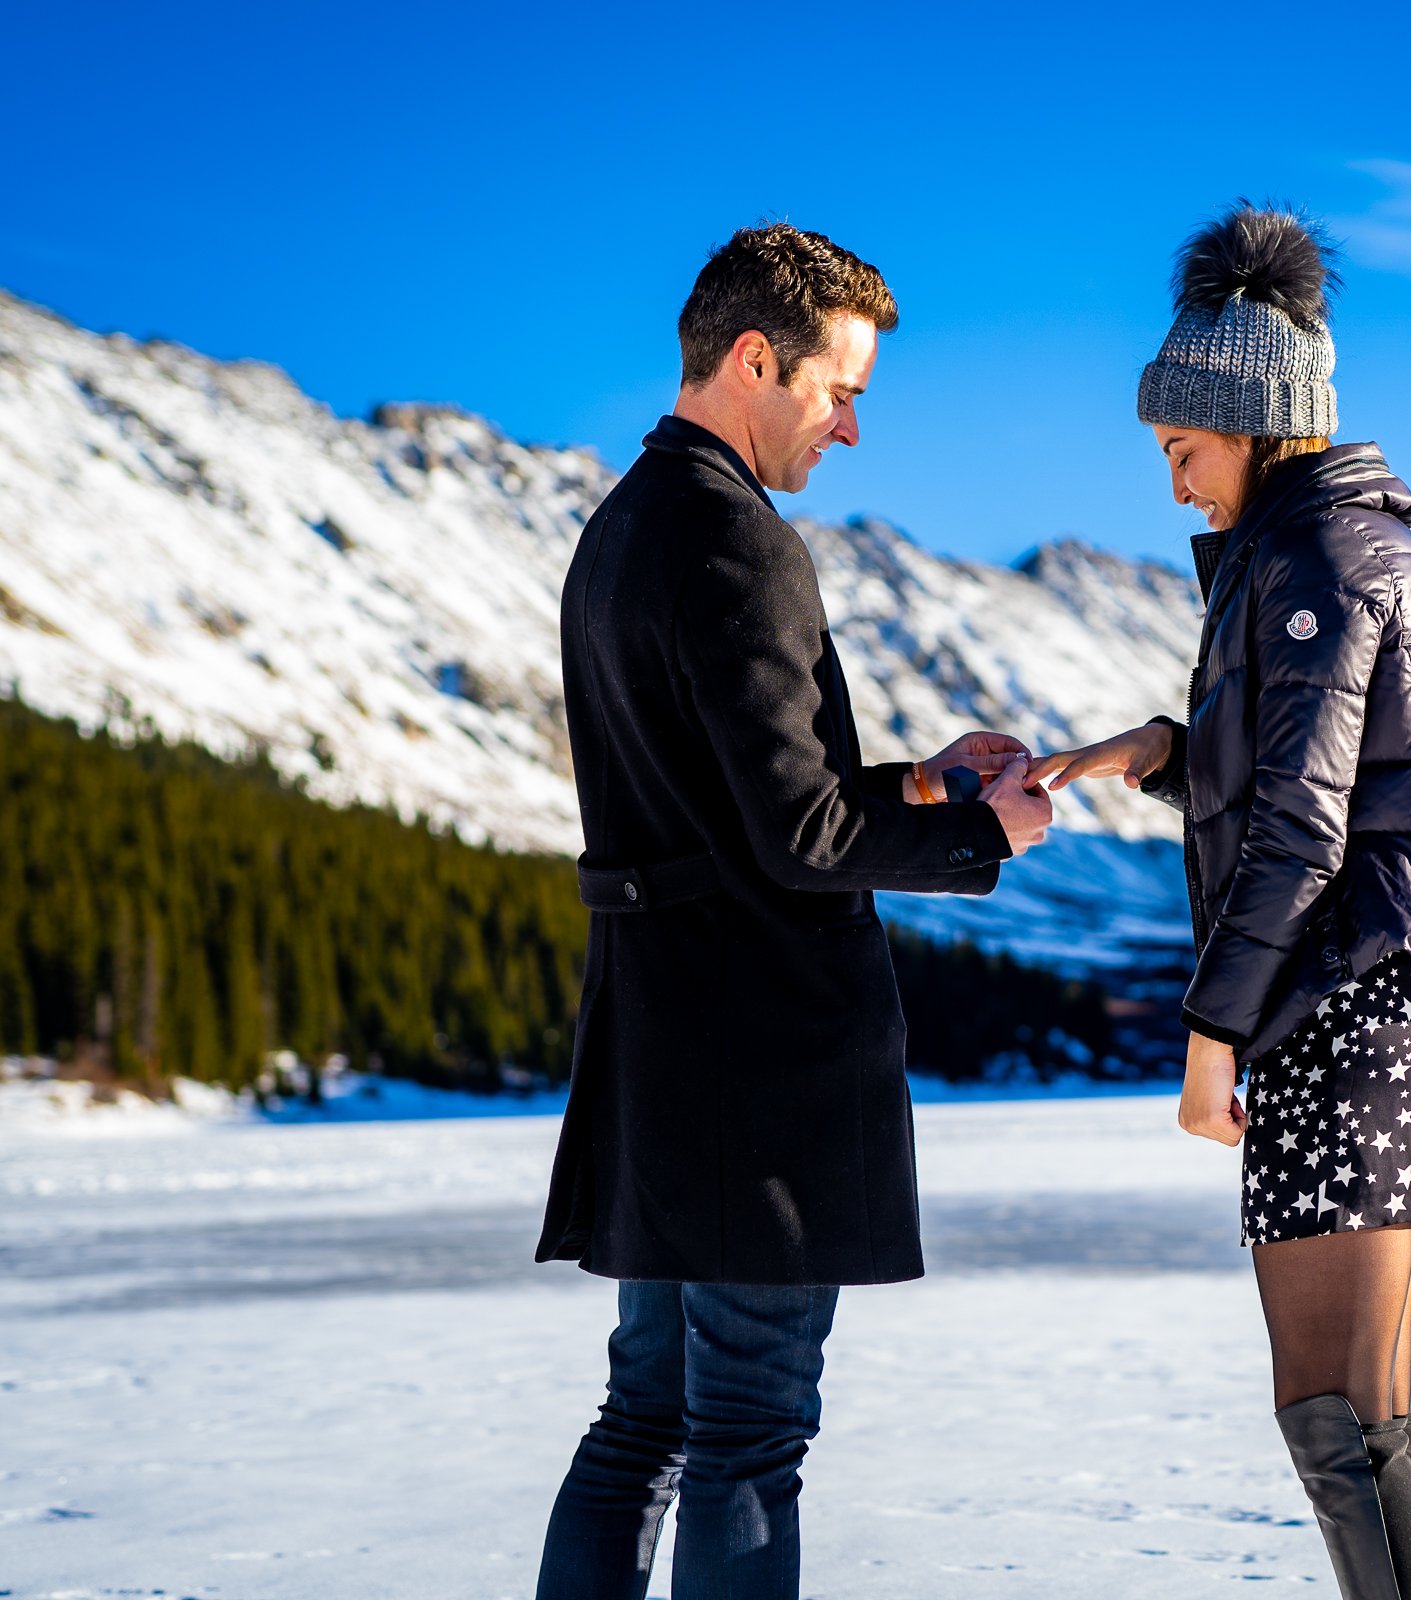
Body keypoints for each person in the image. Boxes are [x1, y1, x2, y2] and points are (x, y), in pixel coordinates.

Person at [533, 222, 1054, 1600]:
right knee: (749, 1436)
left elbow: (732, 802)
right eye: (841, 390)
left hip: (658, 1052)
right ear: (755, 359)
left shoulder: (623, 525)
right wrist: (985, 834)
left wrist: (924, 786)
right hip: (752, 1068)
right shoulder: (739, 541)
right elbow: (804, 835)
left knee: (642, 1421)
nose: (851, 429)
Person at [1029, 203, 1411, 1600]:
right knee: (1345, 1413)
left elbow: (1304, 835)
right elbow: (1319, 788)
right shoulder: (1308, 561)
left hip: (1351, 1005)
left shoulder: (1318, 566)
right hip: (1345, 999)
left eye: (1183, 451)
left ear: (1252, 421)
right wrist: (1162, 757)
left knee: (1347, 1413)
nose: (1174, 484)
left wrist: (1208, 1034)